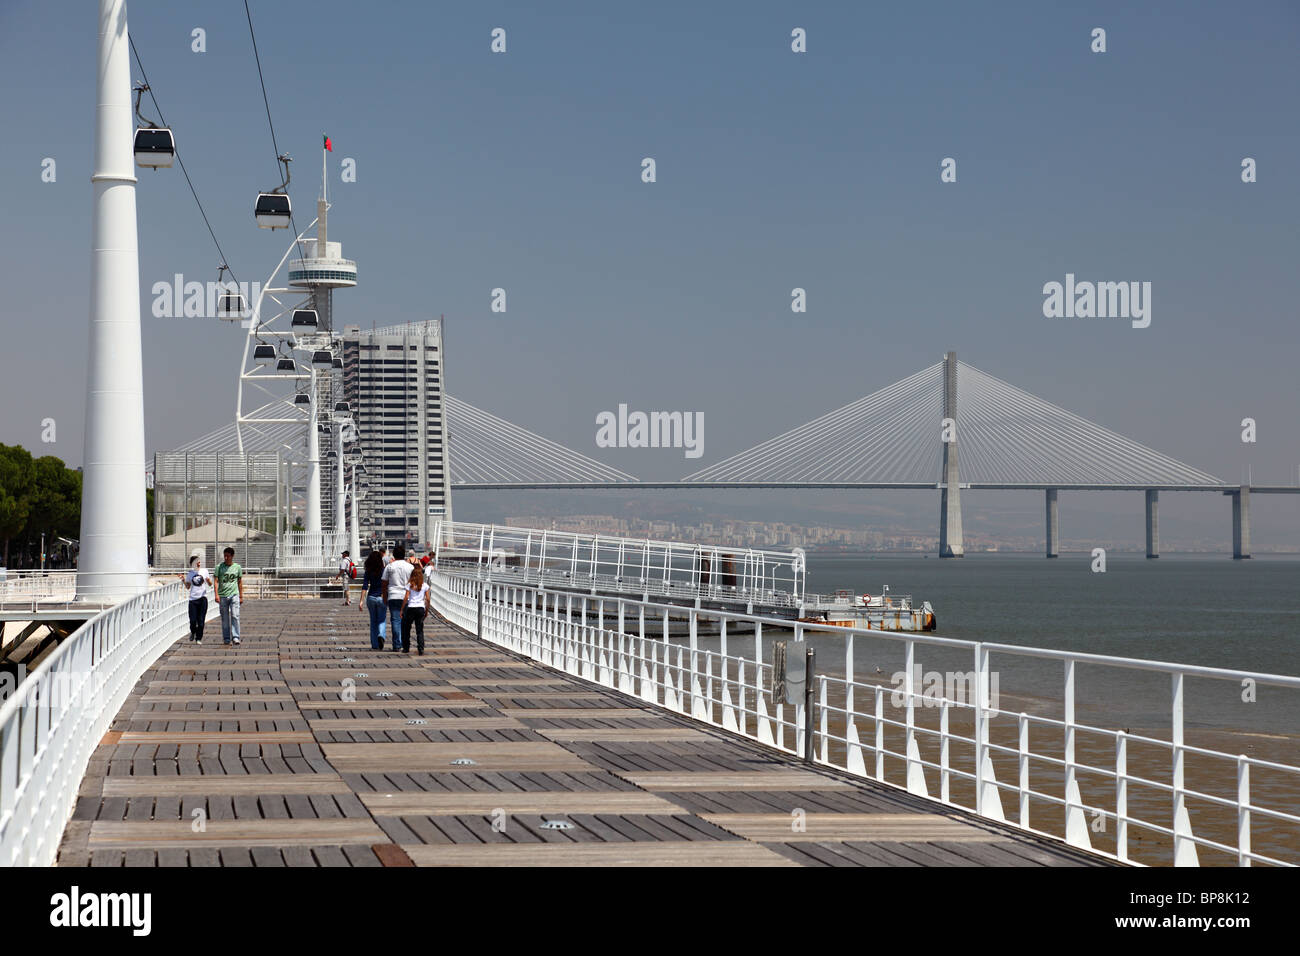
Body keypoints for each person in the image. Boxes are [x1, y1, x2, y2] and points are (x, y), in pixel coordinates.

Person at [380, 545, 412, 652]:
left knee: (395, 621)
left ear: (394, 555)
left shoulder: (389, 567)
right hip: (406, 597)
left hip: (393, 596)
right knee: (406, 621)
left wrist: (384, 597)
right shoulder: (410, 567)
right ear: (404, 555)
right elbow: (414, 583)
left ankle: (397, 644)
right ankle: (405, 643)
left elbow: (384, 583)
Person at [214, 546, 246, 646]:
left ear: (232, 556)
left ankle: (236, 637)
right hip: (223, 595)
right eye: (225, 556)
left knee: (235, 615)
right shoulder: (219, 567)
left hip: (234, 594)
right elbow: (215, 581)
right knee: (225, 618)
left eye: (228, 556)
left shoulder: (237, 567)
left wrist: (241, 596)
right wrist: (216, 595)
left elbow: (240, 582)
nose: (226, 558)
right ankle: (226, 638)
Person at [180, 553, 212, 644]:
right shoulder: (190, 574)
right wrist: (183, 580)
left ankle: (199, 638)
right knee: (193, 620)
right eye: (196, 562)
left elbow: (210, 584)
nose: (199, 563)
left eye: (199, 561)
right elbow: (188, 587)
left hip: (203, 599)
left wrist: (209, 581)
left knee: (201, 620)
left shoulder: (204, 571)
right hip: (193, 600)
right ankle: (193, 632)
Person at [399, 563, 431, 655]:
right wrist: (426, 610)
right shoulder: (425, 585)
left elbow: (406, 597)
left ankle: (406, 647)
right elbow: (428, 599)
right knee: (419, 629)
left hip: (411, 608)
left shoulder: (410, 585)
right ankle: (420, 648)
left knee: (407, 628)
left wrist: (401, 609)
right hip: (420, 608)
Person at [359, 550, 387, 650]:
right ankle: (381, 635)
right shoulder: (383, 570)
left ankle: (375, 645)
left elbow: (365, 586)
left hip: (371, 598)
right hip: (381, 597)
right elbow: (386, 584)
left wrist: (361, 601)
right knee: (382, 620)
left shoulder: (368, 571)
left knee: (373, 622)